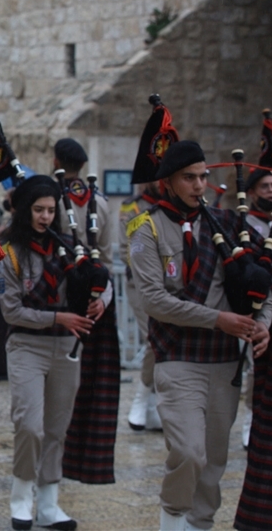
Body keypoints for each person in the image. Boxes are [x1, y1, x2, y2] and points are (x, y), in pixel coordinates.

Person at [127, 141, 272, 530]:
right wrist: (217, 319)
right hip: (178, 359)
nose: (199, 185)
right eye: (189, 178)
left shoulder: (226, 223)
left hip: (225, 361)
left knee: (213, 461)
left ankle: (201, 524)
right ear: (169, 182)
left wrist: (264, 324)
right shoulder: (146, 228)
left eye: (203, 176)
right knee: (189, 453)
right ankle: (172, 519)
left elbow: (265, 281)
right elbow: (154, 301)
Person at [0, 174, 102, 531]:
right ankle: (20, 496)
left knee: (57, 428)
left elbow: (98, 281)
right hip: (27, 343)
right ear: (25, 211)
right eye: (38, 210)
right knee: (29, 425)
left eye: (50, 210)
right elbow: (11, 311)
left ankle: (49, 503)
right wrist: (59, 316)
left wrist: (101, 299)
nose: (45, 217)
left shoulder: (70, 245)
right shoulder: (9, 251)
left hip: (66, 345)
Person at [238, 168, 272, 452]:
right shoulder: (246, 224)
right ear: (253, 192)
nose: (271, 190)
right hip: (258, 304)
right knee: (256, 369)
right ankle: (251, 423)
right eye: (265, 186)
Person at [120, 181, 163, 432]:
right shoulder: (132, 207)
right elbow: (128, 243)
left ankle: (154, 403)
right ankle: (143, 395)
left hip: (171, 283)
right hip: (141, 282)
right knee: (153, 339)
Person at [52, 139, 113, 268]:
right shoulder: (101, 201)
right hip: (94, 278)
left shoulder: (50, 200)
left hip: (60, 276)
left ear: (56, 162)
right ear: (82, 165)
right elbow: (106, 254)